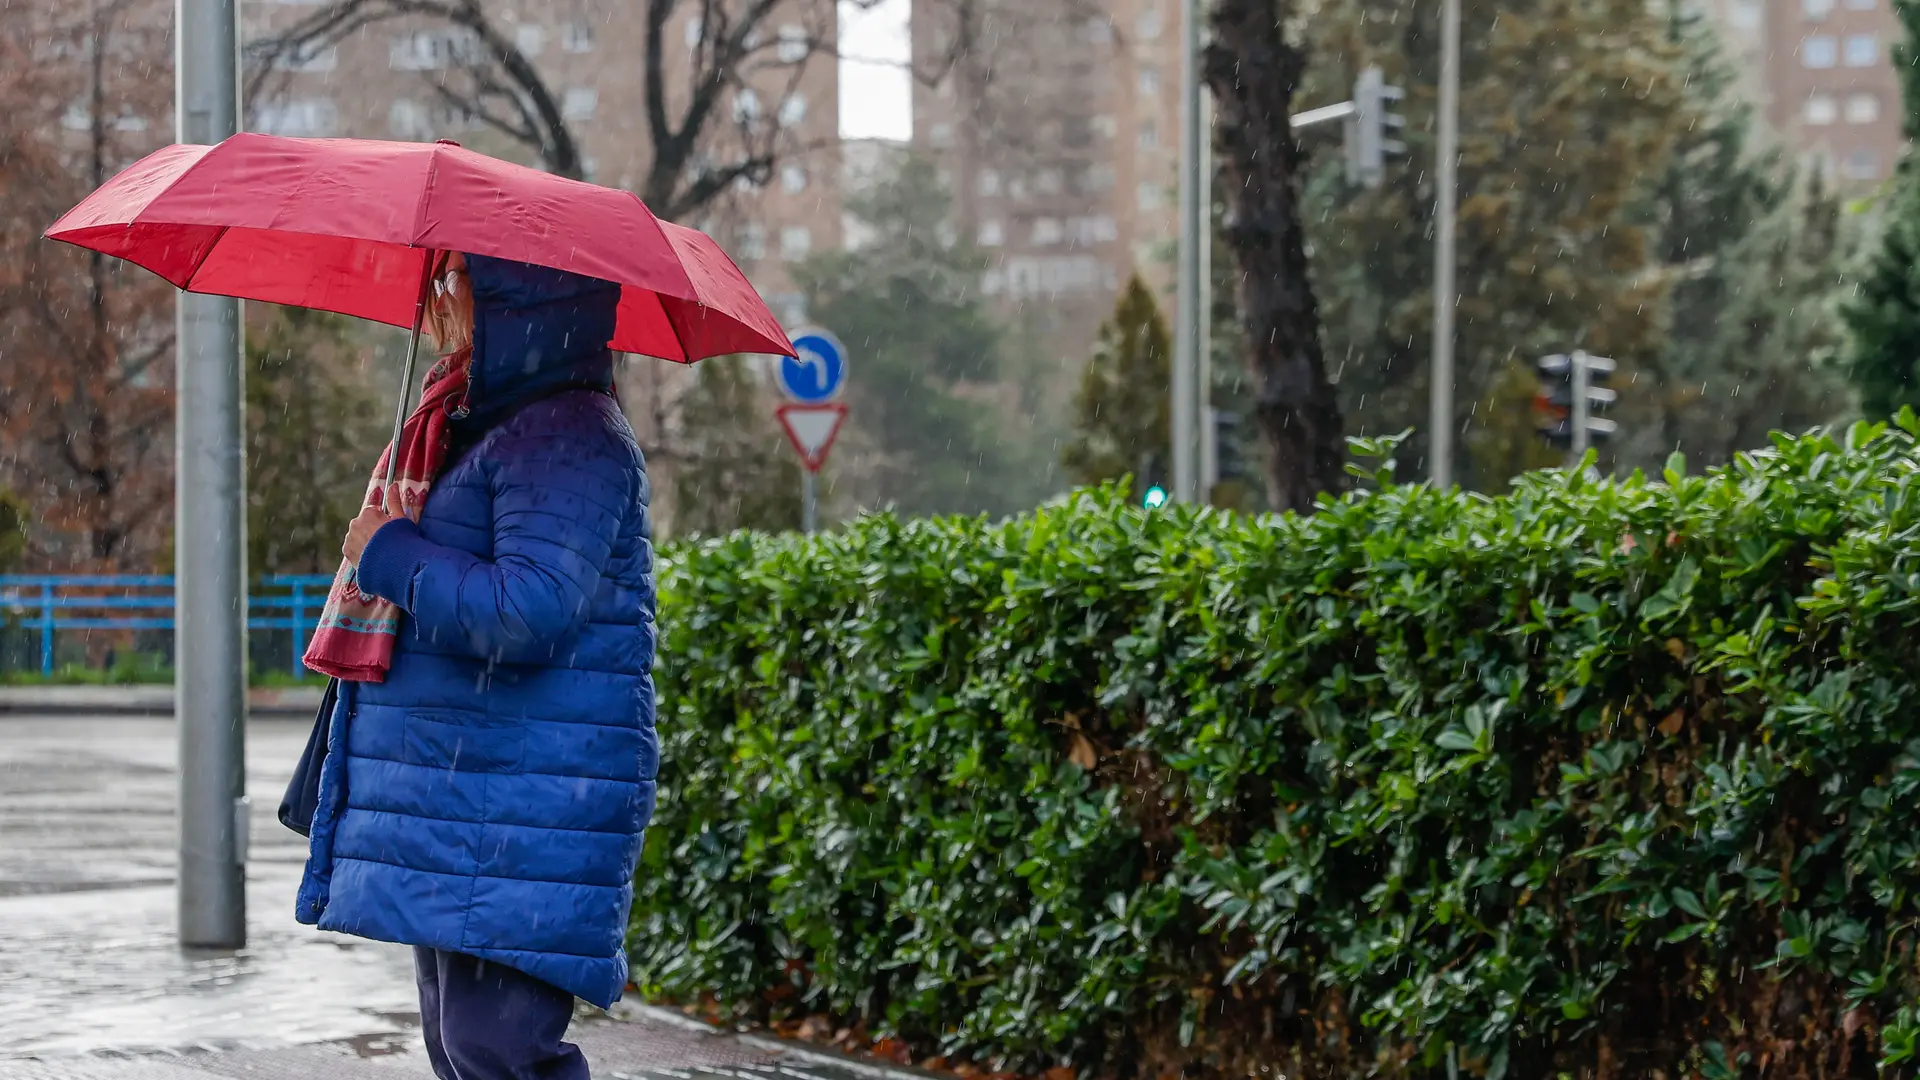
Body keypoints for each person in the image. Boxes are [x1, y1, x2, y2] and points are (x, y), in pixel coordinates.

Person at [295, 250, 657, 1080]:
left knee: (497, 1052)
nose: (435, 294)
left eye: (451, 275)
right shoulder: (475, 424)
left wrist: (391, 553)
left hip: (519, 795)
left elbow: (527, 611)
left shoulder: (565, 436)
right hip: (465, 790)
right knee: (463, 1049)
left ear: (512, 294)